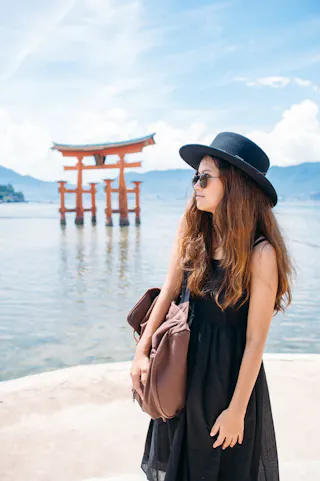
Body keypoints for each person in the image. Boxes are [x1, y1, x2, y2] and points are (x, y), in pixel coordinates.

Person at [130, 132, 295, 481]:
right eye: (195, 177)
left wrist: (237, 410)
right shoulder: (192, 230)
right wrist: (141, 353)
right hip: (181, 372)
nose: (197, 185)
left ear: (235, 185)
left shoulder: (260, 253)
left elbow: (255, 341)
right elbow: (168, 291)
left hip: (227, 384)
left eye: (205, 177)